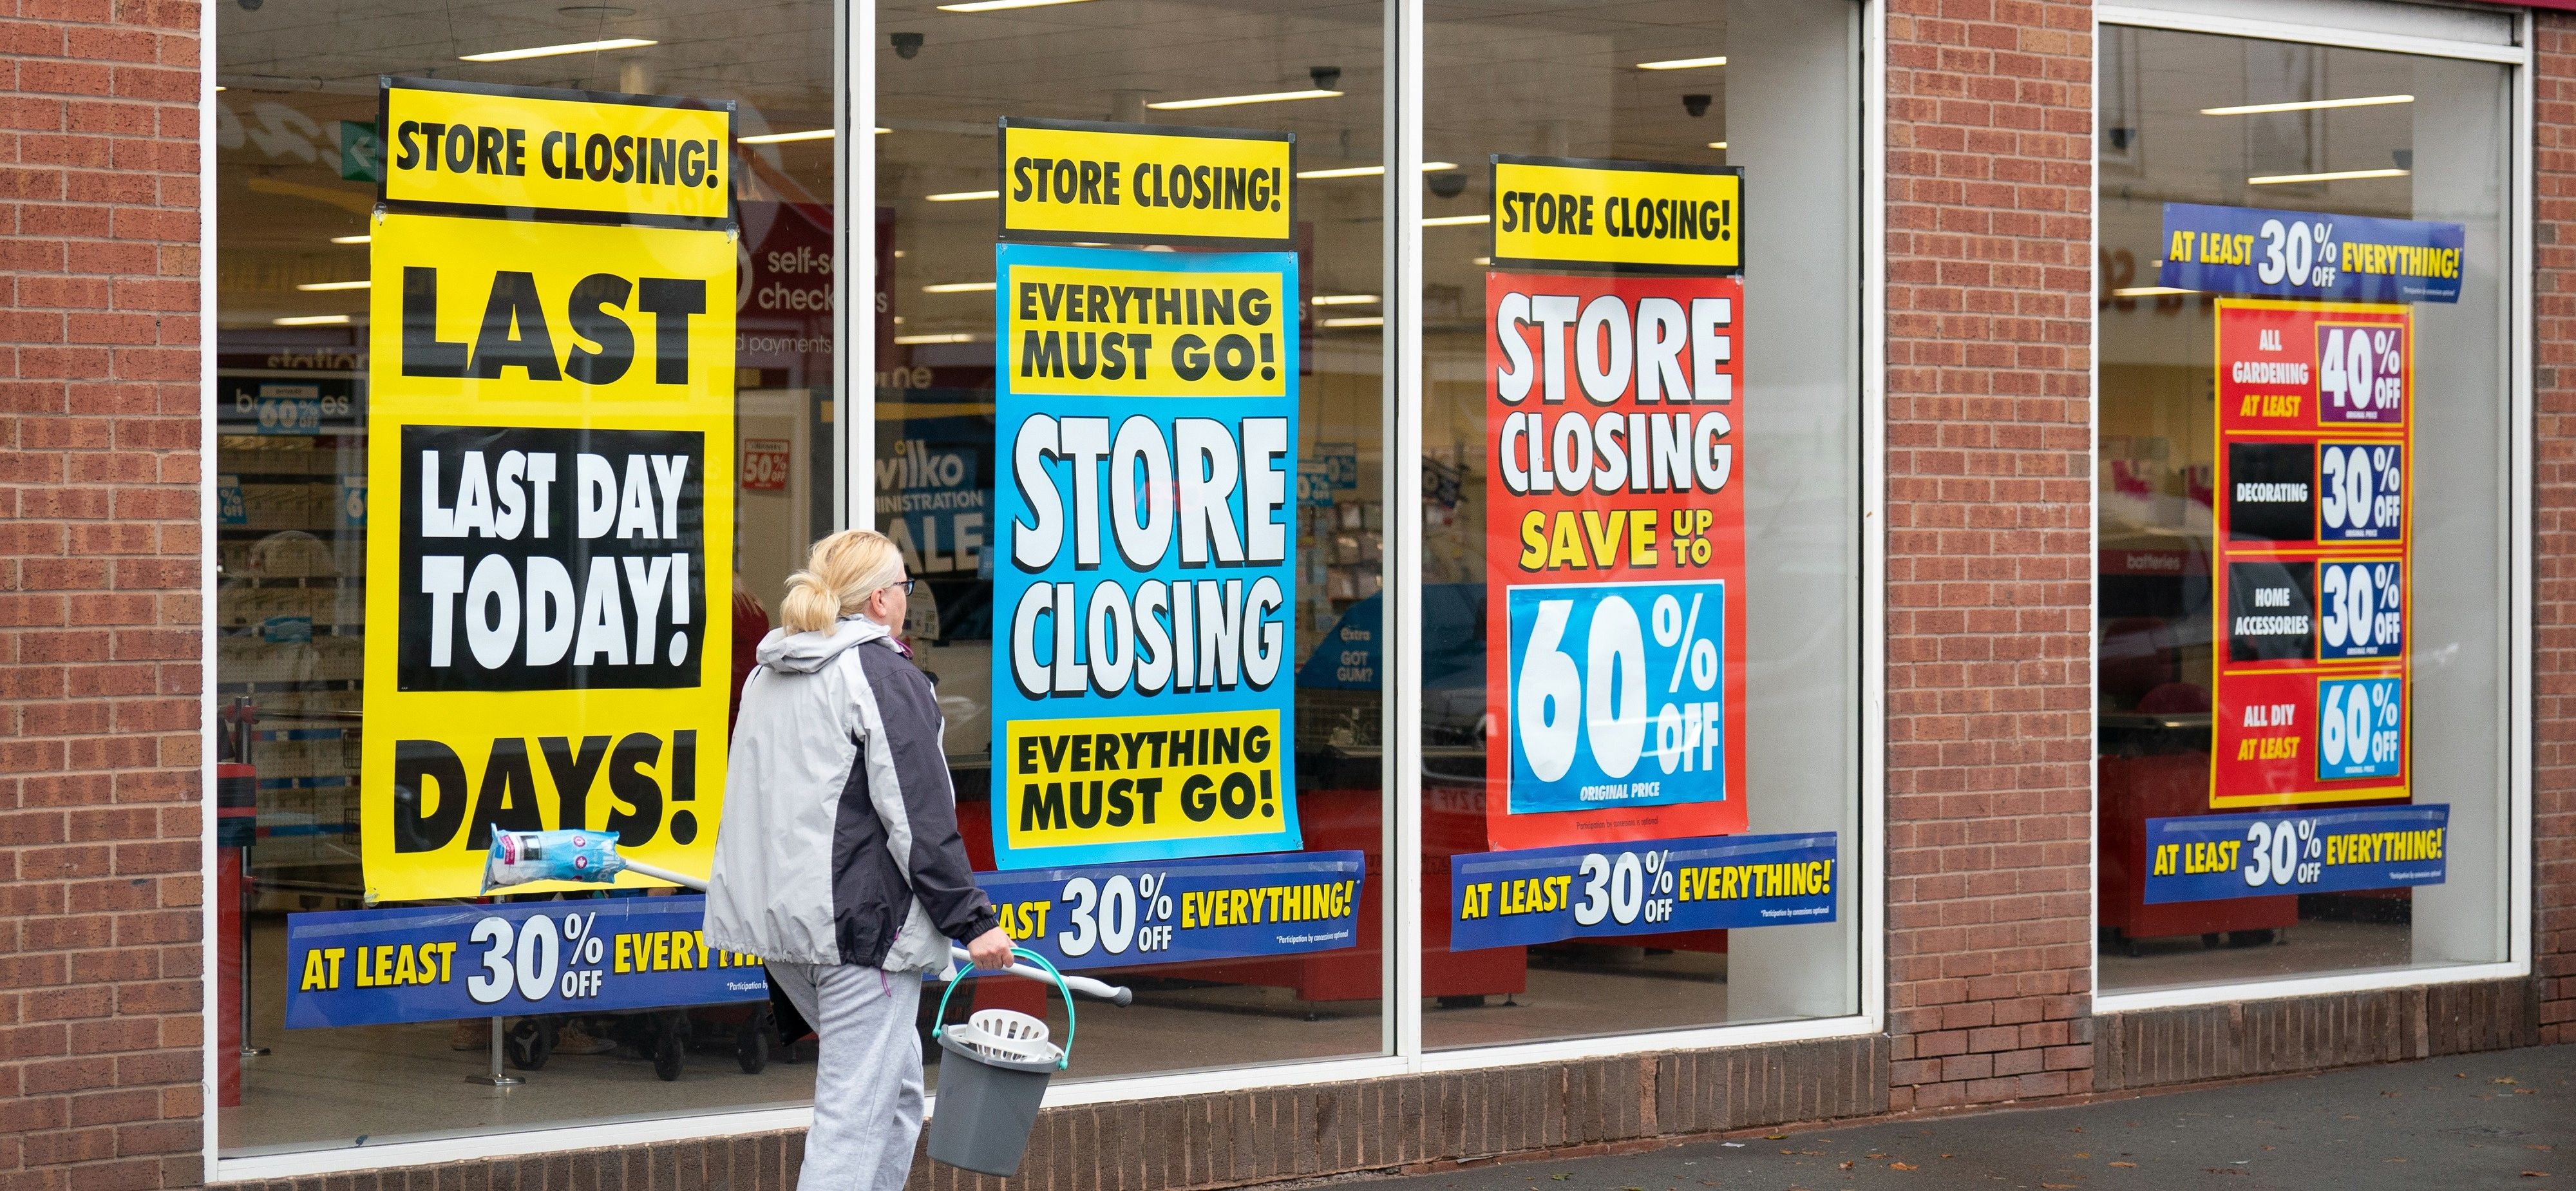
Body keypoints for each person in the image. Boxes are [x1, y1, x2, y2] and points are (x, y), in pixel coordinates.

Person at [706, 529, 1013, 1191]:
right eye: (903, 587)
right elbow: (918, 815)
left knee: (893, 1095)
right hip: (859, 932)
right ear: (879, 600)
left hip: (785, 928)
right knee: (855, 1116)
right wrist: (971, 920)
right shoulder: (881, 674)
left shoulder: (770, 670)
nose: (907, 598)